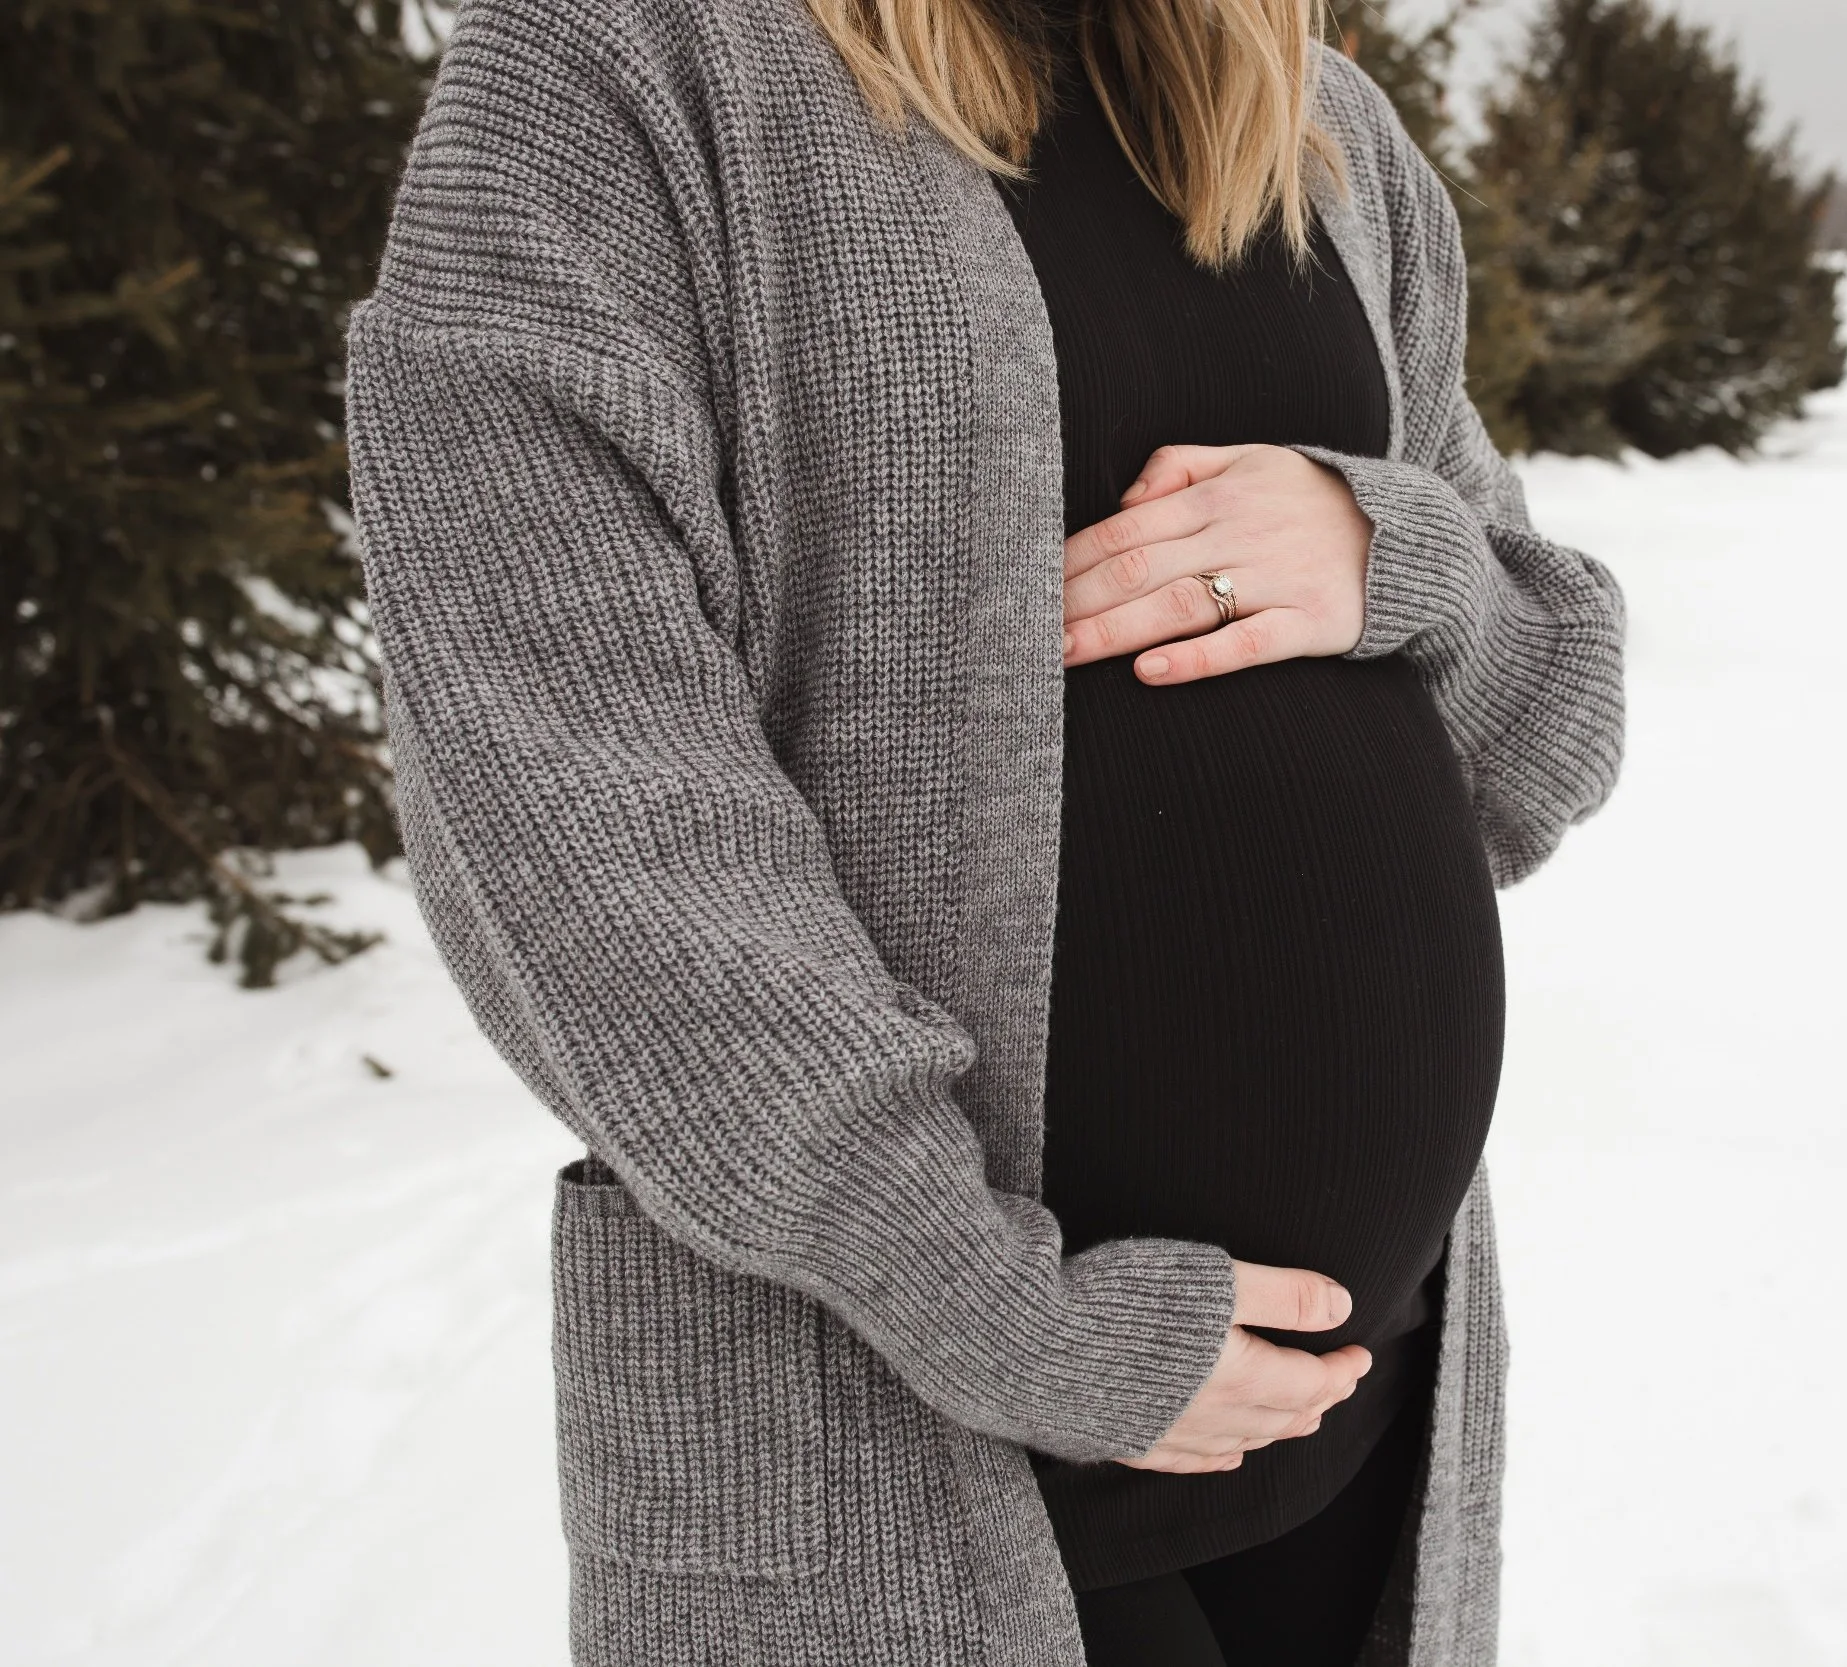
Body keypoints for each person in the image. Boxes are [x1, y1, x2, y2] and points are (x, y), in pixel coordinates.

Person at [342, 0, 1625, 1657]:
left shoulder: (1317, 130)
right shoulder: (621, 74)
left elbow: (1547, 739)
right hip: (912, 1455)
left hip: (1358, 1420)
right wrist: (997, 1306)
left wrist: (1399, 558)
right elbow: (574, 812)